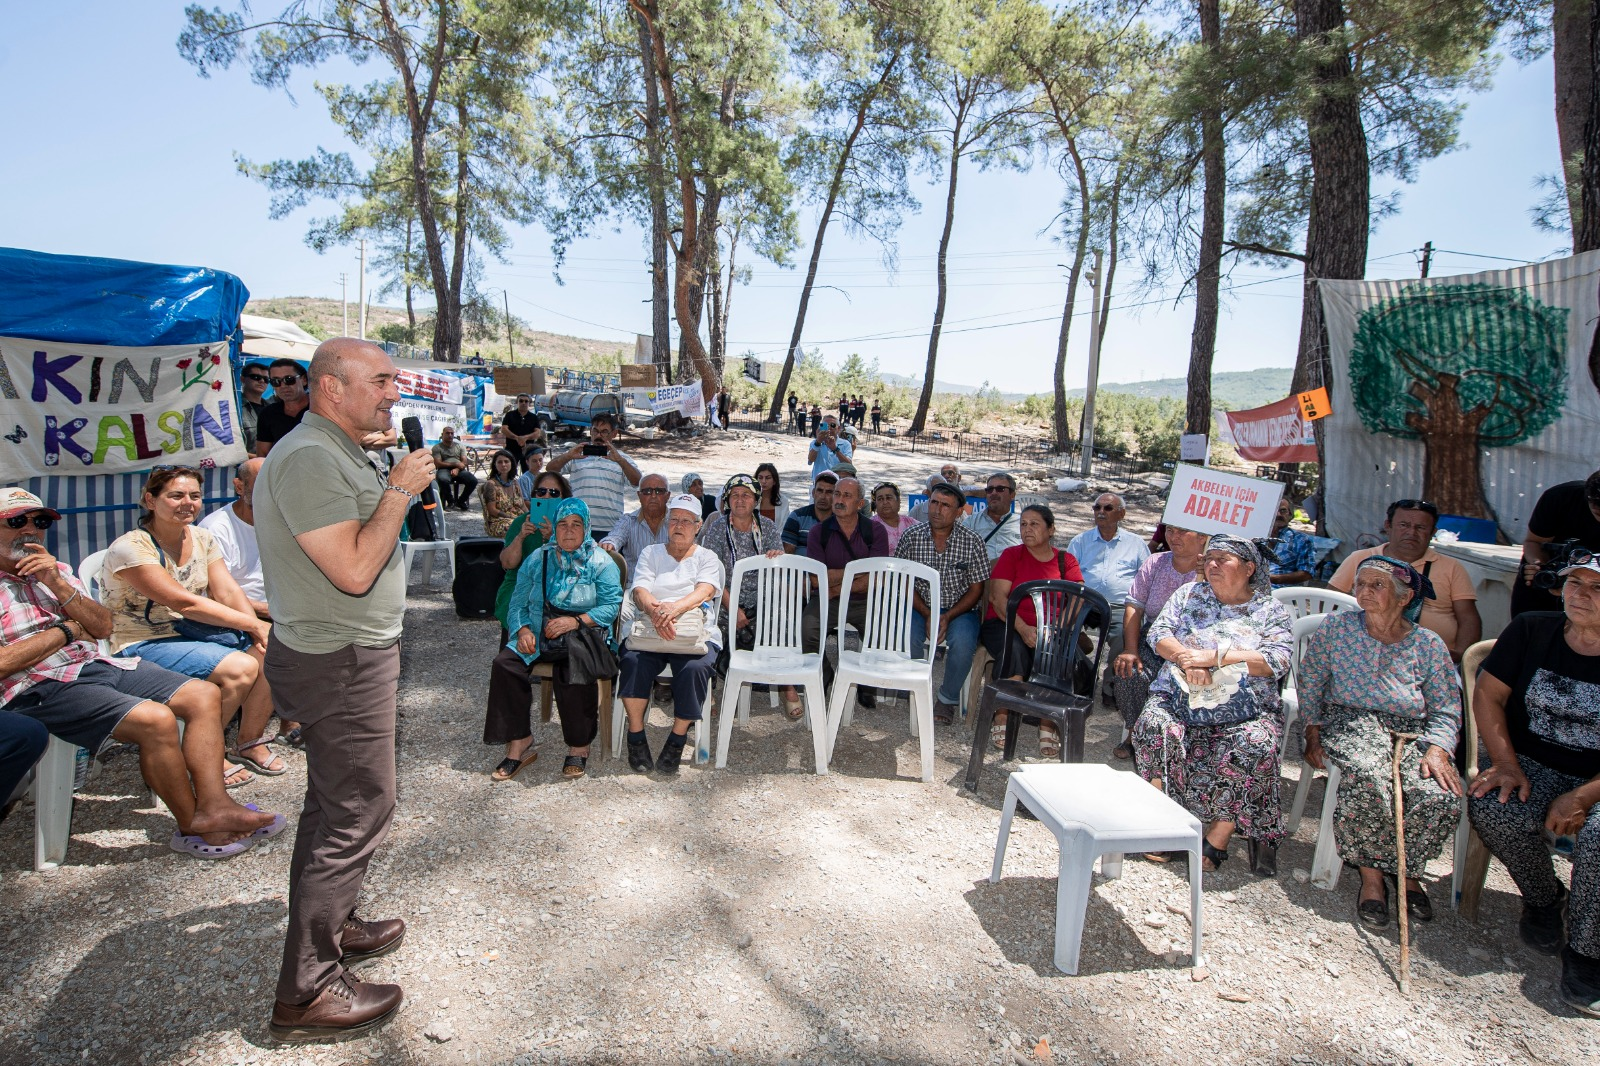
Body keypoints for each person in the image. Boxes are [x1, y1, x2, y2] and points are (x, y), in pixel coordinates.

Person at [254, 338, 436, 1042]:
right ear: (332, 388)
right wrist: (398, 491)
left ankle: (337, 922)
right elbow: (354, 570)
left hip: (347, 652)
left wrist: (386, 479)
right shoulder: (306, 458)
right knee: (359, 807)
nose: (395, 393)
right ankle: (307, 994)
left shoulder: (333, 447)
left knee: (334, 801)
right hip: (341, 659)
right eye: (383, 381)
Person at [0, 487, 279, 854]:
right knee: (156, 719)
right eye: (17, 521)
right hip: (34, 687)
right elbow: (6, 663)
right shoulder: (132, 545)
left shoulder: (57, 571)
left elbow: (101, 626)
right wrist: (67, 631)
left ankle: (215, 806)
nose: (31, 530)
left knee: (203, 694)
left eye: (39, 522)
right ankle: (192, 824)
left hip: (94, 664)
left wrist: (55, 583)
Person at [1297, 556, 1464, 927]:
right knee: (1371, 779)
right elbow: (1310, 683)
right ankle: (1373, 878)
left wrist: (1438, 747)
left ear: (1404, 597)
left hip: (1410, 731)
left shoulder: (1428, 644)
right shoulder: (1337, 629)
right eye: (1361, 584)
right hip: (1350, 720)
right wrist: (1312, 731)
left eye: (1377, 585)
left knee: (1438, 792)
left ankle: (1407, 872)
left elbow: (1447, 706)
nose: (1364, 591)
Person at [1468, 553, 1600, 1015]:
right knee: (1495, 807)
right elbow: (1489, 693)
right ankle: (1545, 899)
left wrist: (1582, 796)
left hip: (1597, 779)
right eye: (1574, 583)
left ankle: (1586, 951)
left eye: (1597, 588)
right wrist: (1504, 762)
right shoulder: (1532, 628)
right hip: (1531, 760)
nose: (1581, 594)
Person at [103, 467, 284, 784]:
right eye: (175, 495)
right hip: (140, 642)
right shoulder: (132, 547)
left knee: (269, 651)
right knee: (241, 668)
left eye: (194, 496)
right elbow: (184, 603)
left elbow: (227, 590)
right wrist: (254, 626)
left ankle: (249, 741)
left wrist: (257, 629)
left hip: (191, 632)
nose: (187, 502)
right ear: (150, 500)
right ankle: (201, 755)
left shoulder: (201, 538)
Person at [1133, 535, 1294, 875]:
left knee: (1255, 742)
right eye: (1210, 559)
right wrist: (1187, 660)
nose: (1213, 564)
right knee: (1156, 725)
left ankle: (1219, 834)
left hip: (1245, 706)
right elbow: (1158, 632)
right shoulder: (1189, 594)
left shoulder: (1270, 610)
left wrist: (1215, 659)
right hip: (1180, 695)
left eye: (1224, 559)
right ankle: (1163, 822)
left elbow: (1277, 660)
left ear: (1249, 568)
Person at [485, 498, 623, 781]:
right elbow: (518, 601)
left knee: (572, 668)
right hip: (538, 630)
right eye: (562, 524)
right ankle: (519, 739)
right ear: (555, 529)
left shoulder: (600, 561)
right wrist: (522, 629)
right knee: (505, 665)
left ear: (586, 528)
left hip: (582, 632)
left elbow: (611, 606)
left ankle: (579, 745)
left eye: (575, 524)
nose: (569, 531)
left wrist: (574, 621)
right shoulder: (539, 558)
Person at [619, 495, 725, 775]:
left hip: (693, 630)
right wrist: (657, 612)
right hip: (652, 625)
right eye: (674, 519)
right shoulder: (651, 553)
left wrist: (674, 609)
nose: (678, 525)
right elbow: (640, 590)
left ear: (698, 526)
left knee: (695, 667)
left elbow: (705, 591)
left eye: (686, 521)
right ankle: (636, 734)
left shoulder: (707, 557)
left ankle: (677, 739)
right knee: (632, 660)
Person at [980, 504, 1084, 757]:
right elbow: (998, 599)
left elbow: (1078, 598)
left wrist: (1056, 630)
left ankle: (1047, 722)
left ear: (1051, 529)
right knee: (1015, 649)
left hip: (1049, 629)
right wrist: (1025, 629)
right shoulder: (1012, 555)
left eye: (1034, 524)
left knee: (1060, 654)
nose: (1027, 529)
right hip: (1006, 623)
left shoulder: (1065, 560)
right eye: (1023, 524)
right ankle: (1003, 717)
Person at [1329, 499, 1481, 661]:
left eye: (1421, 527)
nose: (1411, 532)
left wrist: (1459, 656)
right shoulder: (1361, 559)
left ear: (1432, 532)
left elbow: (1468, 619)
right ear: (1388, 526)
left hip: (1433, 660)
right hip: (1363, 654)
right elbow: (1328, 604)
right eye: (1403, 525)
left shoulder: (1451, 567)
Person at [895, 483, 990, 725]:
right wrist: (928, 613)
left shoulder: (972, 541)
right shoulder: (911, 536)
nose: (937, 510)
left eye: (945, 505)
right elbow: (903, 582)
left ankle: (946, 699)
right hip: (920, 604)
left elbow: (976, 589)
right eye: (934, 503)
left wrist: (947, 617)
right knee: (906, 634)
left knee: (964, 643)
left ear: (959, 512)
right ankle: (914, 687)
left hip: (960, 608)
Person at [1111, 525, 1205, 761]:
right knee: (1129, 672)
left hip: (1196, 647)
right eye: (1170, 531)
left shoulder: (1214, 569)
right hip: (1154, 638)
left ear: (1203, 536)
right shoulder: (1155, 563)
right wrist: (1130, 649)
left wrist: (1204, 576)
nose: (1174, 537)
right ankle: (1135, 734)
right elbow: (1134, 605)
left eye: (1184, 531)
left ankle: (1181, 742)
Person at [697, 474, 788, 708]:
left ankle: (788, 686)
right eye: (734, 495)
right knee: (707, 632)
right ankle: (710, 692)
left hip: (761, 603)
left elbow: (778, 566)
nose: (740, 500)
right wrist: (733, 607)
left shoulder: (767, 527)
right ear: (727, 500)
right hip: (725, 603)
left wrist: (777, 557)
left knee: (781, 626)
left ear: (756, 500)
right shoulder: (717, 527)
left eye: (746, 495)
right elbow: (712, 573)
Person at [803, 477, 889, 709]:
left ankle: (865, 682)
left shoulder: (875, 531)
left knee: (882, 633)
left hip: (863, 600)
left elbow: (875, 578)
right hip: (828, 601)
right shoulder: (818, 532)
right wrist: (855, 571)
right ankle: (825, 673)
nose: (838, 500)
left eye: (846, 496)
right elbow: (815, 578)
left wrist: (836, 584)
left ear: (860, 503)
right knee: (806, 630)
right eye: (837, 494)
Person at [1069, 493, 1150, 705]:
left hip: (1119, 606)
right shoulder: (1080, 541)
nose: (1101, 512)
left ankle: (1112, 687)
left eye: (1108, 508)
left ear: (1121, 514)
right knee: (1063, 629)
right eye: (1097, 508)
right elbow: (1067, 575)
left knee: (1125, 635)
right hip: (1084, 601)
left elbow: (1146, 579)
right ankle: (1081, 678)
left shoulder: (1136, 544)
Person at [492, 472, 569, 645]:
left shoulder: (569, 525)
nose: (547, 496)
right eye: (541, 492)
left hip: (556, 585)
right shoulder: (521, 522)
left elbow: (572, 564)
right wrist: (520, 537)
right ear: (534, 495)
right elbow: (507, 563)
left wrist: (553, 539)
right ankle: (514, 654)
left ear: (563, 498)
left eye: (554, 493)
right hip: (520, 584)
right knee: (514, 604)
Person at [1512, 469, 1600, 617]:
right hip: (1546, 587)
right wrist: (1539, 566)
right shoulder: (1561, 498)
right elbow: (1534, 542)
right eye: (1598, 514)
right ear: (1588, 499)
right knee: (1531, 633)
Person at [546, 412, 641, 540]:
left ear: (614, 433)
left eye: (604, 432)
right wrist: (568, 455)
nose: (598, 436)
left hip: (610, 529)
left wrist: (620, 461)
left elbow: (638, 482)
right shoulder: (576, 455)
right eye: (595, 431)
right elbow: (550, 469)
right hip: (578, 526)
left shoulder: (622, 458)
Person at [199, 458, 270, 621]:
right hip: (242, 618)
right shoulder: (216, 529)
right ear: (239, 487)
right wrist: (270, 611)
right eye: (262, 482)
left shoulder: (287, 522)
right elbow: (217, 594)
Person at [602, 474, 671, 574]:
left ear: (668, 496)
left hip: (669, 587)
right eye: (647, 491)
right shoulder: (628, 521)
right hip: (634, 586)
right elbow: (615, 536)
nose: (653, 496)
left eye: (659, 491)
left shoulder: (677, 521)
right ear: (639, 495)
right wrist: (609, 543)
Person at [254, 359, 310, 456]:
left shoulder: (321, 408)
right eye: (276, 381)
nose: (283, 386)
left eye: (289, 379)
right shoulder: (268, 414)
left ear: (304, 379)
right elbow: (263, 455)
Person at [964, 473, 1022, 563]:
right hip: (982, 575)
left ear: (1012, 495)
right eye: (990, 489)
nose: (994, 493)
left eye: (1000, 489)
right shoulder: (970, 523)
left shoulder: (1023, 524)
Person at [782, 471, 837, 556]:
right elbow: (787, 552)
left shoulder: (841, 520)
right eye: (820, 491)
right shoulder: (797, 517)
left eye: (829, 492)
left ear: (836, 496)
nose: (823, 496)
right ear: (813, 493)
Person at [479, 449, 529, 539]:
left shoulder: (515, 483)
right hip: (499, 522)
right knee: (519, 527)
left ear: (512, 463)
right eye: (500, 462)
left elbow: (522, 505)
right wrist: (511, 517)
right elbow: (492, 510)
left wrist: (530, 516)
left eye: (506, 461)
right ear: (495, 465)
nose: (503, 465)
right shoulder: (491, 485)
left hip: (517, 518)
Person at [1266, 497, 1316, 585]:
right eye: (1274, 510)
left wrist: (1275, 579)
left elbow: (1307, 573)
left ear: (1290, 515)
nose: (1278, 514)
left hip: (1281, 592)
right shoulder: (1255, 536)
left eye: (1283, 511)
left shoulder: (1301, 539)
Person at [430, 426, 478, 511]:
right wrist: (455, 464)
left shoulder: (460, 446)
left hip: (459, 469)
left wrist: (457, 469)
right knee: (442, 479)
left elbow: (464, 462)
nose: (450, 435)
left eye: (452, 433)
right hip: (444, 469)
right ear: (442, 435)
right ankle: (451, 501)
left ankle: (461, 501)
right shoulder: (437, 447)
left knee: (473, 480)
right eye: (447, 433)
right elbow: (438, 463)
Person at [500, 395, 546, 474]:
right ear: (517, 402)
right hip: (511, 449)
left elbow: (537, 433)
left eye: (526, 401)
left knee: (528, 473)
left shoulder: (534, 417)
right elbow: (504, 429)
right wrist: (516, 438)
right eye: (521, 401)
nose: (523, 403)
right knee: (509, 473)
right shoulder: (509, 415)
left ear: (529, 403)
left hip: (528, 451)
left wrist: (525, 438)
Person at [870, 482, 914, 555]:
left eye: (889, 498)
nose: (885, 502)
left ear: (898, 501)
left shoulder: (910, 523)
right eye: (880, 499)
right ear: (875, 504)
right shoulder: (869, 526)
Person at [239, 361, 271, 454]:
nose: (261, 381)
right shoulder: (235, 408)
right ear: (243, 379)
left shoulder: (272, 409)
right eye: (256, 377)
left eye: (266, 379)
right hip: (243, 466)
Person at [755, 462, 791, 529]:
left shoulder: (783, 501)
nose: (763, 481)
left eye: (768, 478)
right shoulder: (750, 500)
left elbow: (784, 527)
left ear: (774, 481)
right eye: (760, 478)